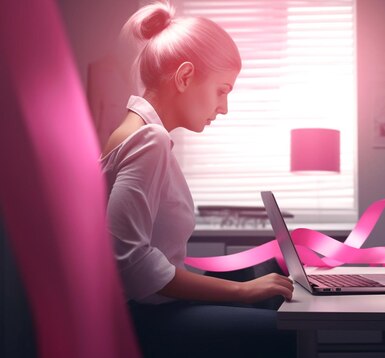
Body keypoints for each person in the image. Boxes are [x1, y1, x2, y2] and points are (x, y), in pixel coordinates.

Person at [100, 2, 296, 357]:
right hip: (141, 317)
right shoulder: (150, 141)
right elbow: (131, 261)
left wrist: (236, 284)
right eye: (222, 90)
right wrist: (239, 291)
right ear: (185, 76)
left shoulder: (138, 134)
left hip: (146, 307)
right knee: (281, 327)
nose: (224, 107)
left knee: (266, 276)